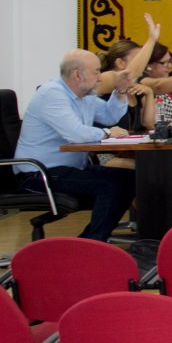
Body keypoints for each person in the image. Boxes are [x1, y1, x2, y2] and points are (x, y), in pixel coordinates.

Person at [13, 50, 138, 241]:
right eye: (96, 72)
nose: (99, 78)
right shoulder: (52, 94)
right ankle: (93, 243)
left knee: (131, 178)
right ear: (77, 74)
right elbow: (75, 134)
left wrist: (120, 91)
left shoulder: (84, 95)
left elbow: (109, 116)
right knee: (109, 185)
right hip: (39, 174)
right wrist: (107, 132)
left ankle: (88, 241)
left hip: (68, 169)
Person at [98, 39, 157, 131]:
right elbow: (128, 75)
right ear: (120, 63)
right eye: (138, 60)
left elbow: (149, 124)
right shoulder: (105, 80)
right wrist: (151, 39)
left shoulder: (137, 88)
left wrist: (149, 93)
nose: (142, 65)